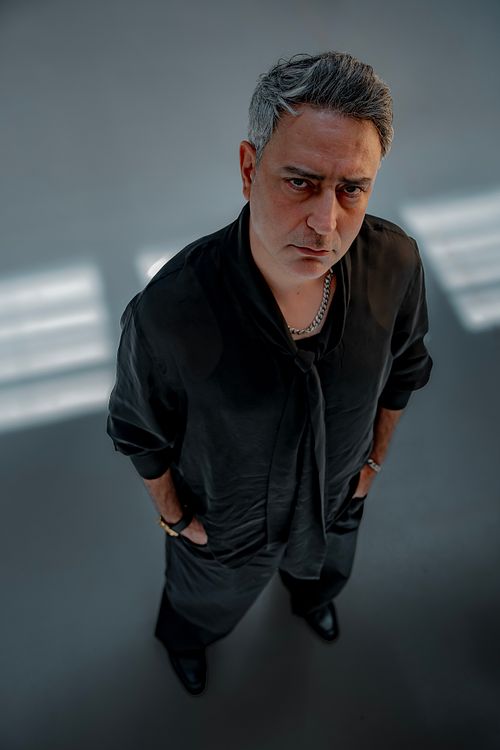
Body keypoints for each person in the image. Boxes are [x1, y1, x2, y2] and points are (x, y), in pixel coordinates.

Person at [106, 51, 433, 696]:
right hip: (226, 527)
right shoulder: (172, 313)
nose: (326, 223)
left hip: (338, 498)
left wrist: (370, 466)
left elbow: (406, 368)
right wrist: (179, 522)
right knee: (200, 606)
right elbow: (139, 431)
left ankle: (312, 601)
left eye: (352, 189)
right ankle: (188, 641)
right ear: (249, 168)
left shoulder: (394, 263)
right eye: (301, 182)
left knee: (325, 574)